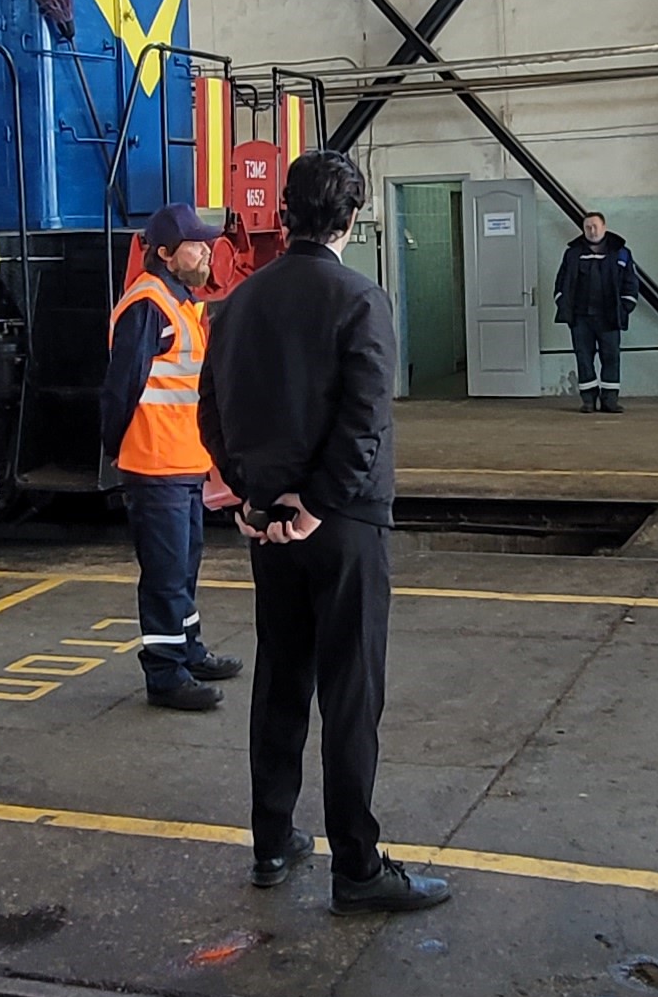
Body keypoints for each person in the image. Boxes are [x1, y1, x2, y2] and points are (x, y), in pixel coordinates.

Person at [196, 149, 449, 914]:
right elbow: (364, 420)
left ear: (284, 213)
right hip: (343, 525)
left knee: (280, 680)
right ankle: (358, 868)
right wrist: (316, 503)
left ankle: (272, 841)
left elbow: (211, 410)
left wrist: (252, 496)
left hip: (268, 525)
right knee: (350, 693)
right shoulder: (360, 300)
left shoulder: (238, 302)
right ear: (352, 217)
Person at [106, 202, 251, 713]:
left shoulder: (180, 302)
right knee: (166, 574)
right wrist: (118, 449)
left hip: (182, 462)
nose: (208, 252)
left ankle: (187, 650)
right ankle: (166, 674)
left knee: (183, 567)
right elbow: (121, 387)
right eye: (196, 246)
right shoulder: (148, 305)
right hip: (155, 465)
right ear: (166, 254)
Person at [554, 211, 640, 414]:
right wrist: (563, 304)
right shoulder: (573, 254)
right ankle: (588, 401)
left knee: (611, 357)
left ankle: (610, 401)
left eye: (595, 226)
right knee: (584, 358)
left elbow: (631, 283)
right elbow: (561, 283)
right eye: (587, 227)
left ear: (604, 227)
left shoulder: (621, 253)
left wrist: (625, 307)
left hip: (609, 317)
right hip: (580, 318)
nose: (592, 231)